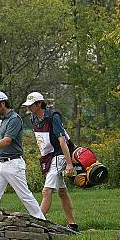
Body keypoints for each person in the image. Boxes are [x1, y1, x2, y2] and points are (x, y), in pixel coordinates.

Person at [0, 91, 46, 220]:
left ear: (2, 103)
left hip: (13, 164)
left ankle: (41, 221)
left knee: (25, 196)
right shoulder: (3, 120)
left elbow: (7, 141)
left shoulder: (14, 119)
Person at [22, 91, 79, 232]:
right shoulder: (33, 118)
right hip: (49, 157)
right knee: (62, 192)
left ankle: (37, 225)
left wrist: (69, 163)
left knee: (47, 191)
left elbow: (62, 141)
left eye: (31, 105)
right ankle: (73, 225)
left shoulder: (54, 117)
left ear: (39, 104)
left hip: (59, 154)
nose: (29, 108)